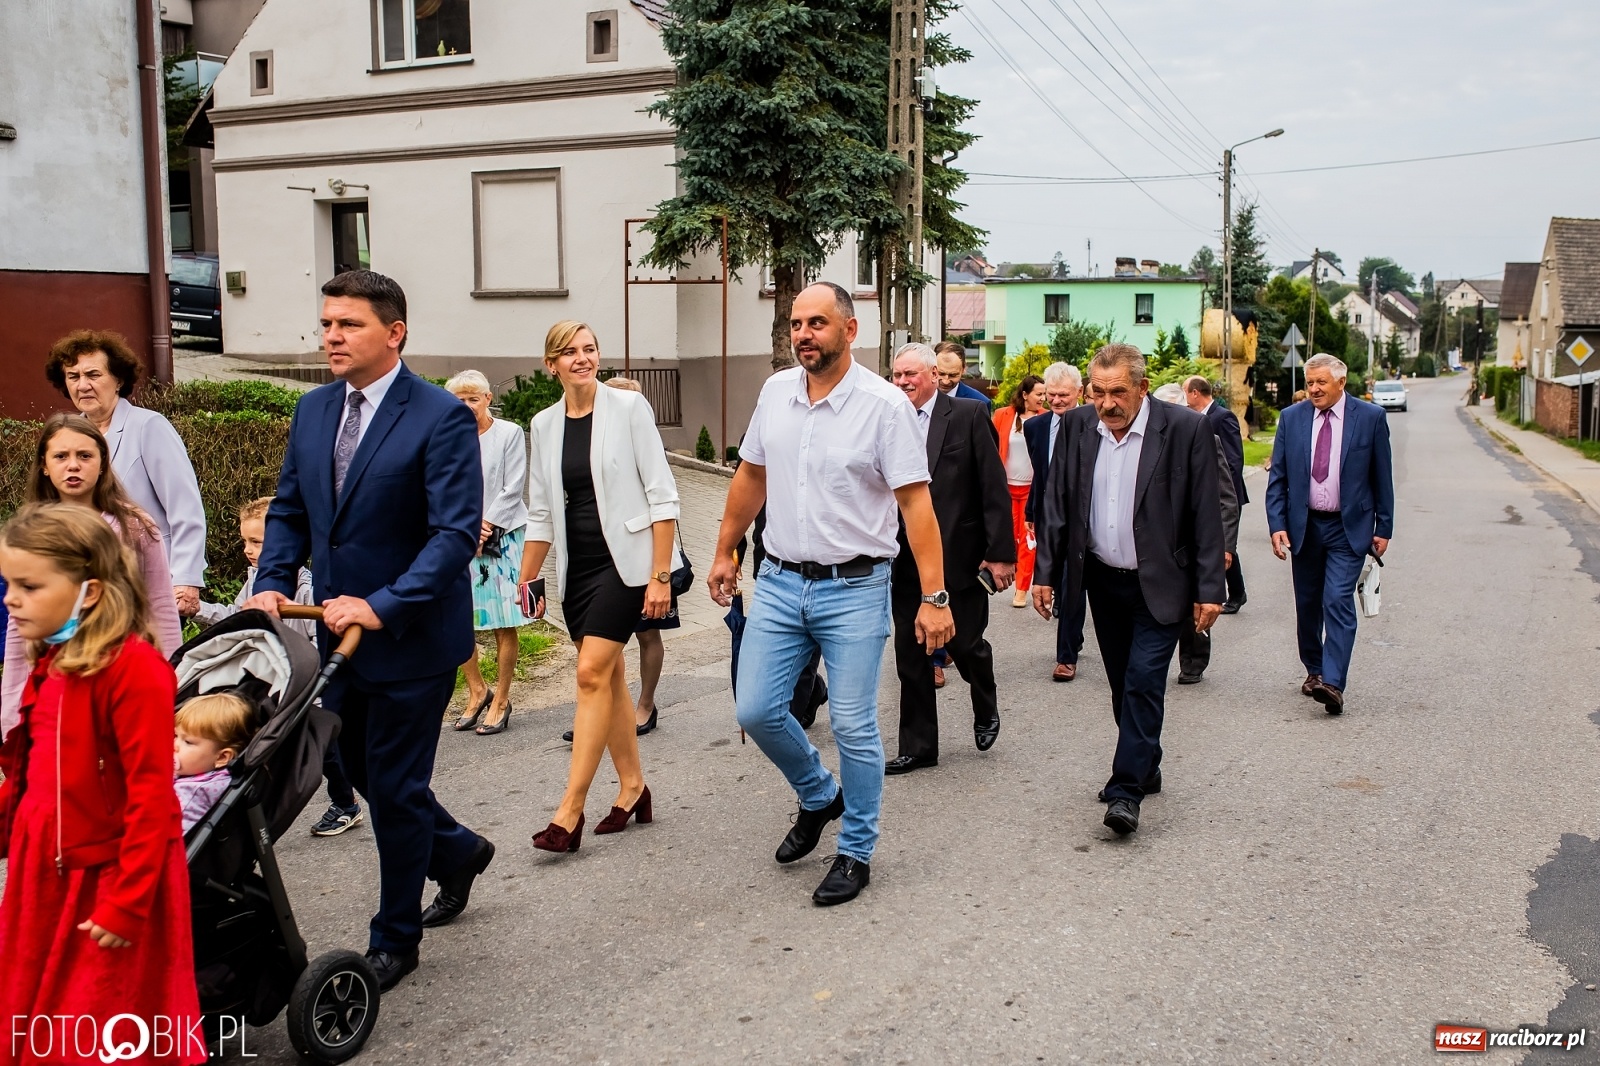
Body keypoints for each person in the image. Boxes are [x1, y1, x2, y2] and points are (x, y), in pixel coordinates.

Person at [243, 269, 494, 992]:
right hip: (332, 634)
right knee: (348, 767)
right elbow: (290, 510)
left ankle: (395, 938)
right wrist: (270, 586)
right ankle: (458, 849)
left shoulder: (439, 416)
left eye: (347, 324)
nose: (330, 336)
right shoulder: (314, 410)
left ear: (394, 332)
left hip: (410, 639)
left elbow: (452, 537)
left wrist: (381, 603)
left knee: (394, 781)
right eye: (326, 323)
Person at [706, 282, 954, 907]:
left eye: (817, 322)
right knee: (756, 710)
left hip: (857, 587)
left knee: (852, 724)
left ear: (850, 329)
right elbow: (752, 475)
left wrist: (936, 597)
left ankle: (856, 849)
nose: (803, 334)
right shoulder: (774, 393)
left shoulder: (883, 406)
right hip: (782, 582)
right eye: (796, 323)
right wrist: (724, 550)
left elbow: (916, 506)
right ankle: (820, 794)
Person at [0, 504, 206, 1065]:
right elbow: (30, 769)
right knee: (40, 1015)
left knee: (99, 1024)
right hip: (45, 867)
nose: (10, 599)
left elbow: (151, 796)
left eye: (28, 586)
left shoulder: (134, 671)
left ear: (88, 592)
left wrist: (129, 899)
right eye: (8, 584)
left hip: (108, 877)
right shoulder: (54, 660)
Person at [1032, 344, 1226, 837]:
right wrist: (1046, 574)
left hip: (1162, 582)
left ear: (1142, 387)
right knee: (1122, 684)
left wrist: (1210, 588)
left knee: (1142, 680)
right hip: (1102, 579)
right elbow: (1056, 505)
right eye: (1099, 392)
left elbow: (1206, 511)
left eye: (1119, 392)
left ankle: (1125, 791)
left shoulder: (1185, 430)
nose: (1108, 403)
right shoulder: (1076, 427)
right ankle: (1147, 762)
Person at [519, 321, 680, 853]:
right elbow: (540, 511)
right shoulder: (543, 425)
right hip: (579, 568)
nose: (582, 358)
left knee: (589, 673)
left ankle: (569, 812)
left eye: (589, 349)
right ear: (552, 365)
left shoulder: (629, 409)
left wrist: (660, 576)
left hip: (627, 565)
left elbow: (664, 496)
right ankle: (633, 787)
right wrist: (526, 578)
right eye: (570, 352)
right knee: (608, 681)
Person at [189, 496, 362, 838]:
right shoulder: (255, 581)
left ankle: (346, 804)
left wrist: (309, 675)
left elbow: (320, 642)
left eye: (258, 542)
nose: (248, 550)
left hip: (306, 688)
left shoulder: (307, 590)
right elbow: (240, 620)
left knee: (323, 754)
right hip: (273, 686)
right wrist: (199, 609)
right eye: (245, 541)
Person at [2, 414, 184, 739]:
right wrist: (12, 710)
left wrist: (172, 686)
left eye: (84, 456)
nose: (73, 466)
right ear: (44, 464)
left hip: (119, 672)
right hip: (54, 678)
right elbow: (20, 626)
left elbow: (159, 605)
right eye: (61, 456)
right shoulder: (30, 532)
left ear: (102, 463)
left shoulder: (135, 527)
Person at [883, 343, 1014, 775]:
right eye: (896, 375)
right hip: (904, 564)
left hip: (959, 558)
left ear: (934, 376)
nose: (902, 382)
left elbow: (993, 488)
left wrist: (999, 555)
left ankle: (984, 697)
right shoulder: (884, 419)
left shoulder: (968, 416)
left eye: (910, 375)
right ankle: (919, 746)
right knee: (911, 652)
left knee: (965, 644)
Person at [1265, 353, 1394, 715]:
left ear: (1341, 381)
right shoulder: (1292, 419)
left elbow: (1382, 476)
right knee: (1307, 604)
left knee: (1336, 599)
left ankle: (1333, 683)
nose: (1314, 389)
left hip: (1347, 527)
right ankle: (1315, 670)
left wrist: (1384, 526)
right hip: (1305, 525)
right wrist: (1277, 524)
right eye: (1309, 383)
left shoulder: (1369, 418)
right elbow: (1279, 478)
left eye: (1321, 382)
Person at [46, 329, 208, 615]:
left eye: (93, 375)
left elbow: (185, 508)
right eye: (73, 376)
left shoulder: (148, 427)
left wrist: (185, 579)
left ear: (118, 379)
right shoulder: (68, 437)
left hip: (150, 584)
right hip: (90, 587)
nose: (82, 385)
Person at [560, 376, 683, 744]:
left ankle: (644, 704)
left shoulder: (640, 434)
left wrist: (659, 572)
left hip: (643, 555)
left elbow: (662, 498)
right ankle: (606, 713)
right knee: (602, 651)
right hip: (600, 559)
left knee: (647, 634)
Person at [445, 370, 529, 736]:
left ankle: (503, 698)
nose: (466, 406)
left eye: (473, 399)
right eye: (459, 400)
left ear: (488, 399)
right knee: (456, 619)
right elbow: (441, 485)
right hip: (458, 537)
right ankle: (477, 690)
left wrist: (486, 524)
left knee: (502, 621)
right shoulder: (445, 435)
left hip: (504, 536)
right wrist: (463, 526)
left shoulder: (508, 433)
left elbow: (514, 486)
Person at [1153, 384, 1239, 685]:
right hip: (1154, 541)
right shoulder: (1144, 442)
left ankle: (1193, 660)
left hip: (1192, 541)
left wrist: (1225, 546)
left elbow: (1225, 498)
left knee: (1195, 603)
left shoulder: (1205, 440)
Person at [1024, 362, 1086, 681]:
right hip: (1048, 515)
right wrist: (1032, 513)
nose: (1057, 400)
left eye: (1064, 394)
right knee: (1055, 579)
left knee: (1073, 582)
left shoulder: (1092, 424)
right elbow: (1040, 475)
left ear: (1080, 392)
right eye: (1051, 395)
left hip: (1081, 517)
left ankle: (1066, 656)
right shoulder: (1035, 428)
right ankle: (1073, 635)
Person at [1185, 375, 1250, 614]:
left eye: (1185, 392)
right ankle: (1234, 592)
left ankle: (1235, 594)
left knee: (1224, 544)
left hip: (1225, 493)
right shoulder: (1195, 419)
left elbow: (1234, 460)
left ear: (1194, 393)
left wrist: (1223, 494)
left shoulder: (1223, 417)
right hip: (1209, 494)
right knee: (1220, 544)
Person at [994, 374, 1046, 608]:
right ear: (1025, 395)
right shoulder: (1003, 415)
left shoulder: (1046, 419)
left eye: (1044, 394)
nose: (1043, 398)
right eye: (1039, 394)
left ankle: (1022, 588)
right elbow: (993, 447)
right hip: (1005, 488)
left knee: (1028, 540)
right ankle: (1008, 575)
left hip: (1030, 490)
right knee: (1010, 538)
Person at [174, 691, 256, 833]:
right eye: (175, 736)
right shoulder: (191, 770)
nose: (174, 745)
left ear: (222, 758)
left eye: (187, 741)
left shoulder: (196, 791)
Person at [935, 341, 991, 405]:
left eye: (953, 375)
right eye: (941, 374)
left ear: (964, 369)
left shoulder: (979, 403)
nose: (946, 381)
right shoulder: (921, 397)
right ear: (932, 368)